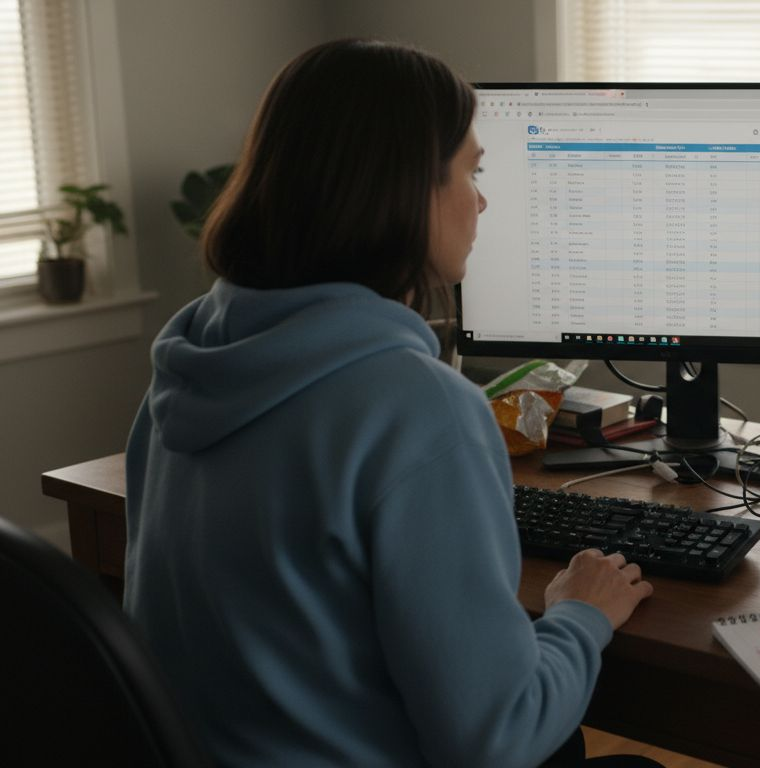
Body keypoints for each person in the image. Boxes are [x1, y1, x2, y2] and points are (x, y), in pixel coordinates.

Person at [124, 39, 655, 767]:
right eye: (472, 170)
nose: (482, 197)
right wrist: (582, 615)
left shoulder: (185, 366)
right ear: (406, 190)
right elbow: (495, 741)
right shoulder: (418, 411)